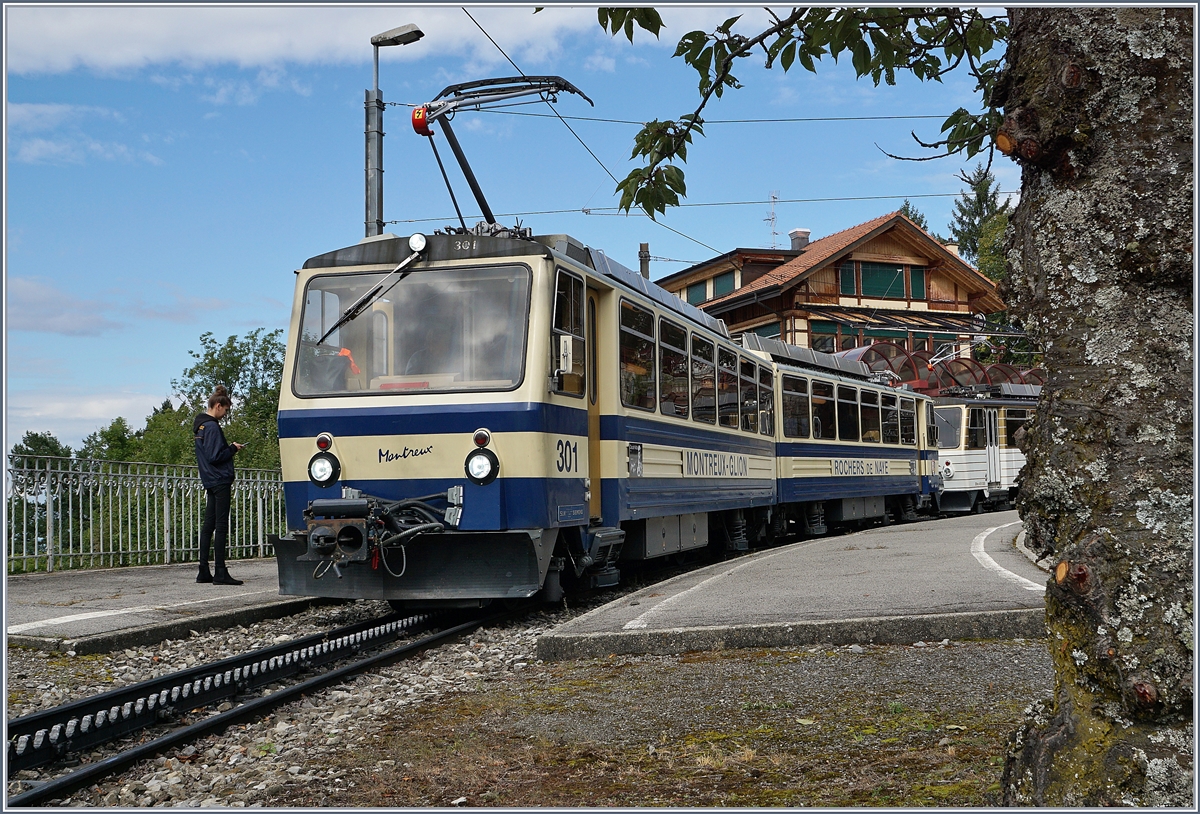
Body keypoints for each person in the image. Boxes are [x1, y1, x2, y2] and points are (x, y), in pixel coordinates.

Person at [193, 385, 245, 585]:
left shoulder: (200, 427)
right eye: (225, 410)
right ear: (217, 405)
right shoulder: (212, 426)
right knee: (221, 526)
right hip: (220, 479)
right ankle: (221, 572)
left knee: (208, 526)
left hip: (209, 479)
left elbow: (207, 455)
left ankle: (203, 571)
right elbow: (215, 456)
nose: (225, 414)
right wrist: (232, 448)